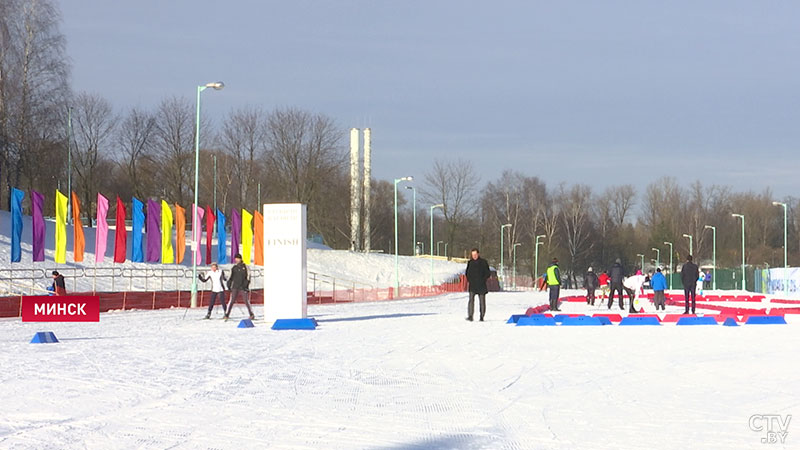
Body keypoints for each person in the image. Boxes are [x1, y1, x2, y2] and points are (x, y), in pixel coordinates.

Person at [225, 253, 255, 321]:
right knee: (232, 300)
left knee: (246, 300)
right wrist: (229, 285)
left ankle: (251, 314)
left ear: (241, 259)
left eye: (238, 258)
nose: (237, 260)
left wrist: (246, 285)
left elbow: (248, 276)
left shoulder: (245, 267)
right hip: (235, 286)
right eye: (236, 259)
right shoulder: (233, 267)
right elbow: (230, 277)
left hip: (243, 286)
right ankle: (227, 314)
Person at [465, 248, 491, 321]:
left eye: (475, 254)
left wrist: (483, 280)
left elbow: (488, 273)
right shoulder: (470, 263)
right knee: (471, 301)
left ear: (478, 254)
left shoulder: (484, 262)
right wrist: (470, 280)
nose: (474, 256)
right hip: (472, 285)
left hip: (481, 285)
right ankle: (470, 316)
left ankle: (482, 316)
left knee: (482, 302)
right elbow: (467, 273)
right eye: (473, 255)